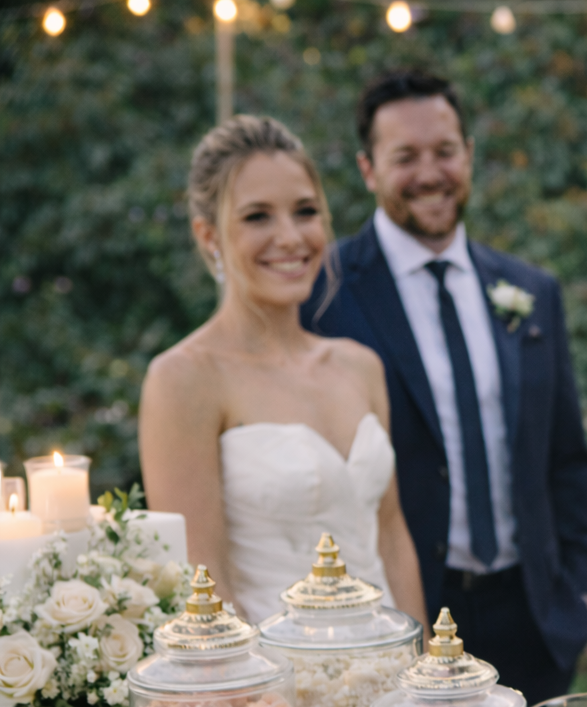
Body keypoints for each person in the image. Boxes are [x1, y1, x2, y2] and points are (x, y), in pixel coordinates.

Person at [300, 69, 587, 707]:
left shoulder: (530, 290)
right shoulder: (323, 294)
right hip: (397, 616)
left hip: (532, 618)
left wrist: (579, 595)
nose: (430, 172)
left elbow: (566, 458)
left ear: (468, 155)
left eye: (445, 151)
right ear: (368, 169)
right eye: (405, 156)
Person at [140, 115, 427, 627]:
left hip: (389, 679)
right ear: (208, 235)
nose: (290, 237)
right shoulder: (184, 378)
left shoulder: (360, 367)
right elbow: (201, 581)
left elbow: (391, 538)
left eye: (305, 211)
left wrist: (423, 687)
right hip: (272, 685)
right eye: (257, 217)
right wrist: (268, 702)